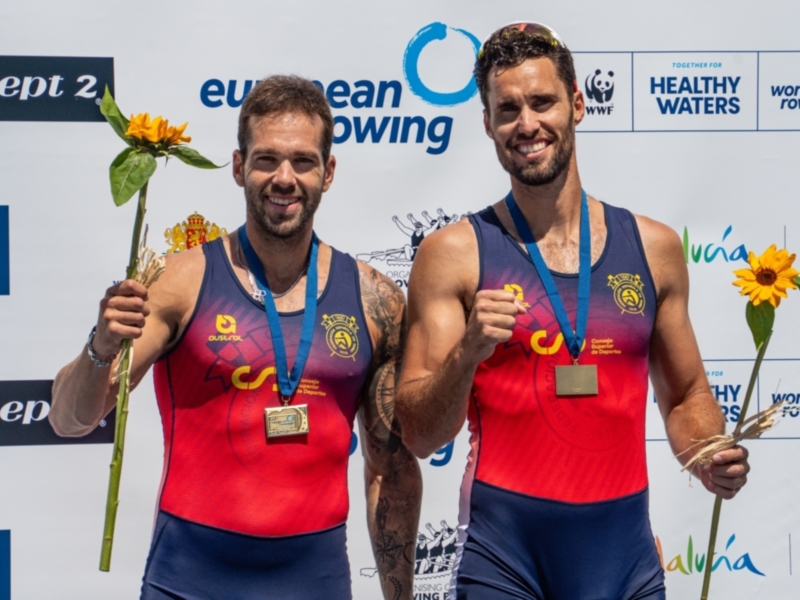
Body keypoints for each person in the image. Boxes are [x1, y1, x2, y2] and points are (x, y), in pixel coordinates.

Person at [394, 23, 750, 600]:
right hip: (503, 561)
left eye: (542, 102)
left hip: (625, 559)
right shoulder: (453, 255)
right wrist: (466, 356)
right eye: (507, 109)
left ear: (578, 104)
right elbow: (417, 434)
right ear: (487, 124)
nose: (527, 124)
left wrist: (709, 454)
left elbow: (686, 397)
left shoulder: (653, 248)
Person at [50, 75, 422, 600]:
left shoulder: (375, 299)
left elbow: (392, 472)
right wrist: (99, 348)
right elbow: (70, 419)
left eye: (303, 161)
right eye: (267, 159)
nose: (284, 178)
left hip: (315, 581)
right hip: (189, 580)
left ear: (329, 171)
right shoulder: (178, 282)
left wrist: (399, 596)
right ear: (239, 167)